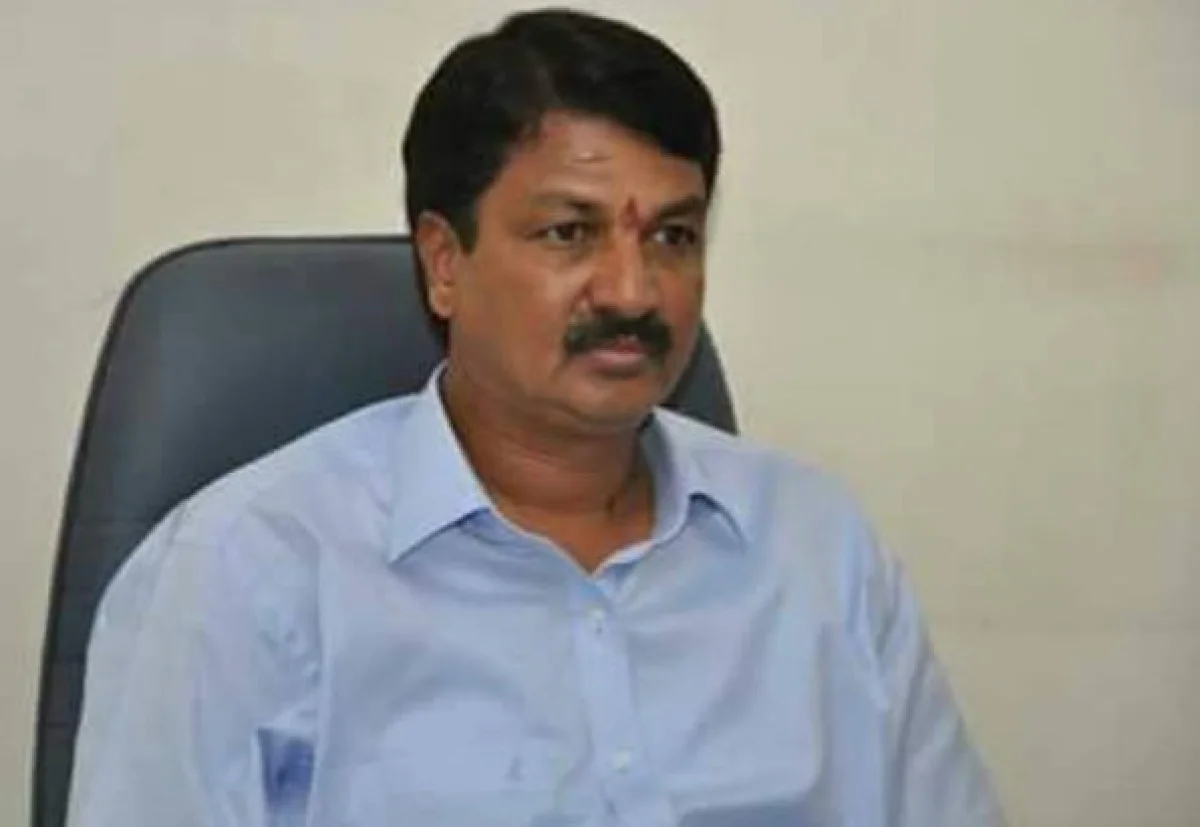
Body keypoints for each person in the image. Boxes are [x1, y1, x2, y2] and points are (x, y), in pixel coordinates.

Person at [66, 8, 1005, 827]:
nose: (634, 290)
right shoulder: (246, 572)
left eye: (673, 236)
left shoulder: (819, 549)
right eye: (569, 232)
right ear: (444, 262)